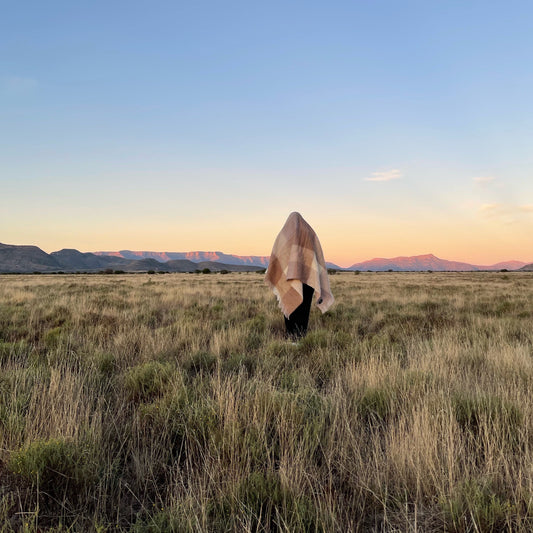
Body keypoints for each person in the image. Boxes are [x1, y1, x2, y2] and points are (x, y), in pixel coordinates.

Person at [265, 212, 334, 339]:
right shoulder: (309, 232)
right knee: (304, 308)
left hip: (290, 278)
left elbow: (277, 256)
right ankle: (300, 336)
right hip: (308, 278)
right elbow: (316, 257)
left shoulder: (283, 234)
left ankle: (292, 336)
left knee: (291, 302)